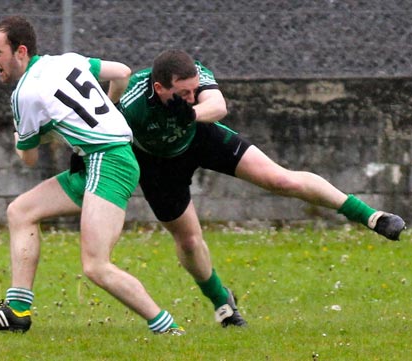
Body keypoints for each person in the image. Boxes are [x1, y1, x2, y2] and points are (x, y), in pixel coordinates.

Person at [116, 49, 406, 328]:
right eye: (183, 95)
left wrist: (190, 113)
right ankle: (222, 302)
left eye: (194, 91)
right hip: (158, 165)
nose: (191, 98)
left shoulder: (193, 77)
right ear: (159, 87)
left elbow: (218, 106)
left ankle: (372, 217)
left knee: (281, 180)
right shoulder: (133, 103)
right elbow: (109, 134)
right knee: (190, 242)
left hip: (201, 137)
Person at [0, 16, 184, 335]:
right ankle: (17, 311)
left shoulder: (24, 94)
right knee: (21, 211)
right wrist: (109, 107)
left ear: (21, 51)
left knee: (96, 265)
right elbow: (122, 72)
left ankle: (168, 328)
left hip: (106, 162)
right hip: (103, 159)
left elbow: (27, 158)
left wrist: (20, 135)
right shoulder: (66, 61)